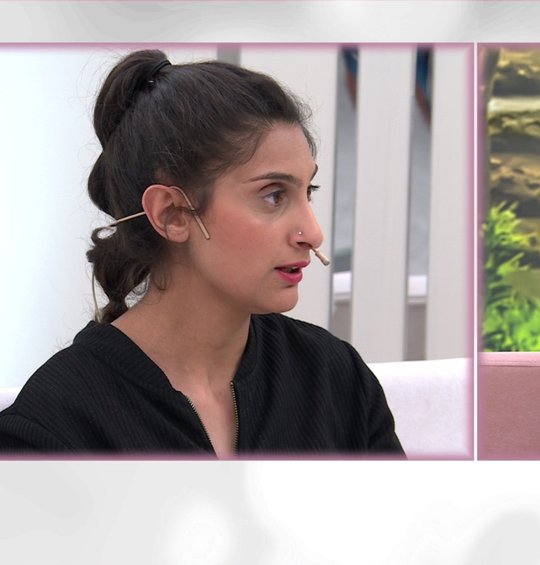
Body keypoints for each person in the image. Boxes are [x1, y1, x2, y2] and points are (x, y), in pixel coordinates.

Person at [0, 49, 403, 457]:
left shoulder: (336, 379)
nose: (313, 233)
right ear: (172, 213)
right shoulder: (52, 428)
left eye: (307, 191)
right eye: (273, 195)